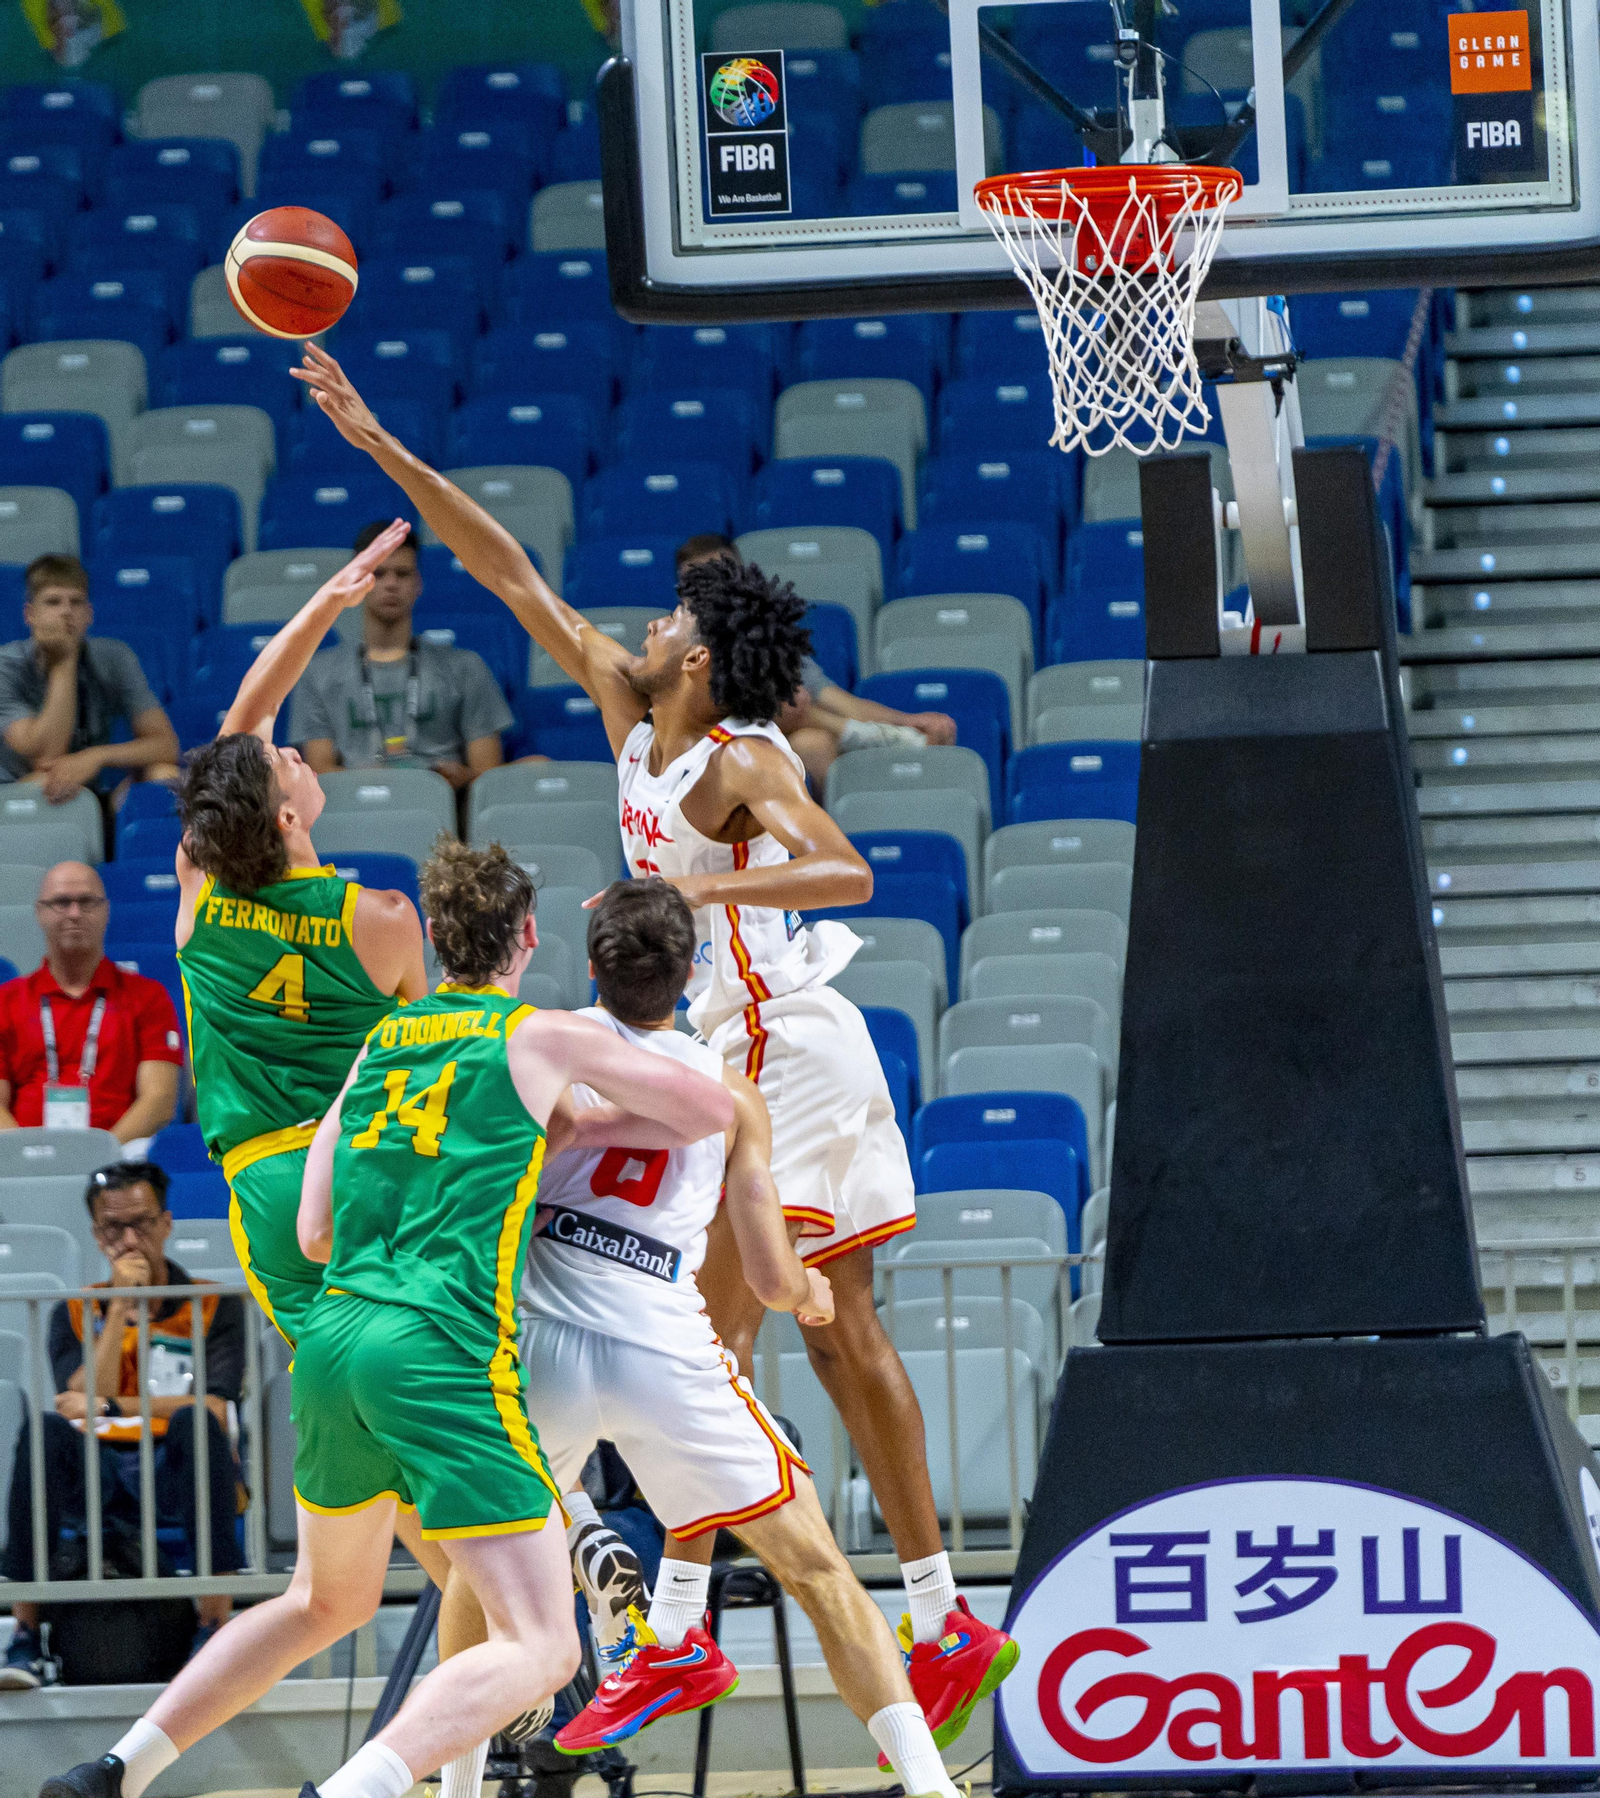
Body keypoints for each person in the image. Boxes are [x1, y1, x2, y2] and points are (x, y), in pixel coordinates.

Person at [296, 343, 1016, 1751]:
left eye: (672, 609)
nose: (646, 614)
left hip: (787, 1038)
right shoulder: (633, 719)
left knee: (723, 1329)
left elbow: (850, 873)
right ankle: (929, 1620)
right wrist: (384, 445)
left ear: (700, 648)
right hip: (732, 1043)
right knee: (804, 1333)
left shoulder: (745, 756)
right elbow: (510, 571)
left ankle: (703, 1632)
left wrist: (697, 888)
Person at [36, 842, 737, 1798]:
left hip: (331, 1345)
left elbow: (316, 1231)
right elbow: (706, 1109)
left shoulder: (380, 1041)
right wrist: (573, 1121)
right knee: (538, 1646)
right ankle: (348, 1792)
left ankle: (116, 1769)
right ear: (527, 938)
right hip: (439, 1349)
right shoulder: (537, 1036)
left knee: (323, 1600)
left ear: (439, 940)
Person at [518, 880, 967, 1798]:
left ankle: (588, 1561)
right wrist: (805, 1296)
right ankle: (930, 1786)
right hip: (663, 1346)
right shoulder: (728, 1093)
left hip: (549, 1340)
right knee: (819, 1572)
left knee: (478, 1564)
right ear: (690, 976)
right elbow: (767, 1278)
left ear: (594, 967)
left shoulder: (538, 1055)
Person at [1, 1162, 246, 1688]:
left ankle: (213, 1624)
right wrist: (118, 1310)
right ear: (96, 1234)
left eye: (142, 1223)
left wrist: (111, 1406)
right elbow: (75, 1400)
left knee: (197, 1430)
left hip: (174, 1463)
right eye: (114, 1229)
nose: (130, 1240)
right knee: (43, 1431)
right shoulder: (73, 1309)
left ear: (167, 1223)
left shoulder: (213, 1302)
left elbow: (212, 1408)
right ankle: (25, 1637)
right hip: (99, 1468)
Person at [675, 536, 958, 788]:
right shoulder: (671, 644)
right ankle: (874, 738)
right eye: (698, 582)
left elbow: (842, 702)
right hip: (702, 753)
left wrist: (910, 722)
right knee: (789, 704)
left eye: (722, 577)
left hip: (765, 741)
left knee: (813, 742)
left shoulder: (763, 638)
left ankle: (833, 838)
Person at [288, 521, 512, 794]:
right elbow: (319, 774)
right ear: (357, 583)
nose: (391, 584)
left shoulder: (465, 667)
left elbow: (490, 777)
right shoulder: (319, 673)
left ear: (418, 584)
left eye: (402, 574)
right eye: (378, 574)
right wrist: (371, 780)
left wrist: (460, 777)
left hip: (444, 809)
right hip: (356, 810)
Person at [0, 861, 181, 1150]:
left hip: (121, 1155)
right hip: (25, 1157)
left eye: (86, 902)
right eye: (61, 902)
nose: (74, 913)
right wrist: (29, 1154)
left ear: (106, 911)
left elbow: (159, 1099)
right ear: (40, 913)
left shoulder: (149, 996)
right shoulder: (5, 1001)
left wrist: (101, 1153)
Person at [0, 556, 179, 801]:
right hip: (19, 801)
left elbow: (166, 745)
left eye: (76, 602)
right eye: (53, 602)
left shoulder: (115, 656)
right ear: (30, 615)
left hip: (89, 791)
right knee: (47, 785)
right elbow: (48, 754)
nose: (66, 611)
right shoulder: (6, 666)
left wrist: (97, 756)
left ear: (89, 614)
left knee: (164, 775)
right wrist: (64, 660)